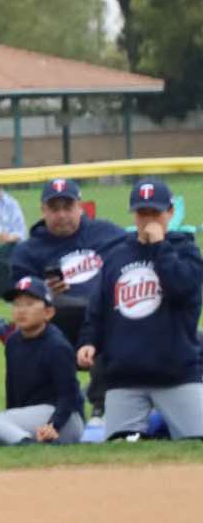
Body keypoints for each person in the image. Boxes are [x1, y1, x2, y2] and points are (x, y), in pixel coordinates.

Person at [76, 178, 203, 439]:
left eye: (155, 212)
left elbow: (180, 288)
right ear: (133, 215)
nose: (148, 220)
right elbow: (99, 307)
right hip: (126, 376)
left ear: (170, 212)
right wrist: (89, 340)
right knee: (121, 447)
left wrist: (160, 247)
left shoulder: (186, 251)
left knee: (196, 442)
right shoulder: (117, 255)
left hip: (176, 373)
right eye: (142, 213)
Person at [10, 177, 127, 410]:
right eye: (54, 208)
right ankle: (85, 403)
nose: (62, 215)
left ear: (80, 206)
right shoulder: (29, 251)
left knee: (110, 317)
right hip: (62, 326)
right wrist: (41, 290)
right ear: (43, 211)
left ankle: (101, 403)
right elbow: (18, 297)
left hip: (108, 318)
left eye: (68, 206)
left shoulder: (107, 233)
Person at [0, 277, 84, 445]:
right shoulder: (13, 342)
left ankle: (24, 443)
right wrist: (10, 418)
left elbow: (68, 396)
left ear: (48, 313)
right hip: (32, 419)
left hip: (64, 421)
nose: (21, 310)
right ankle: (22, 440)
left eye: (29, 304)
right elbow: (13, 391)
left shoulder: (57, 345)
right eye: (16, 304)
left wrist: (54, 425)